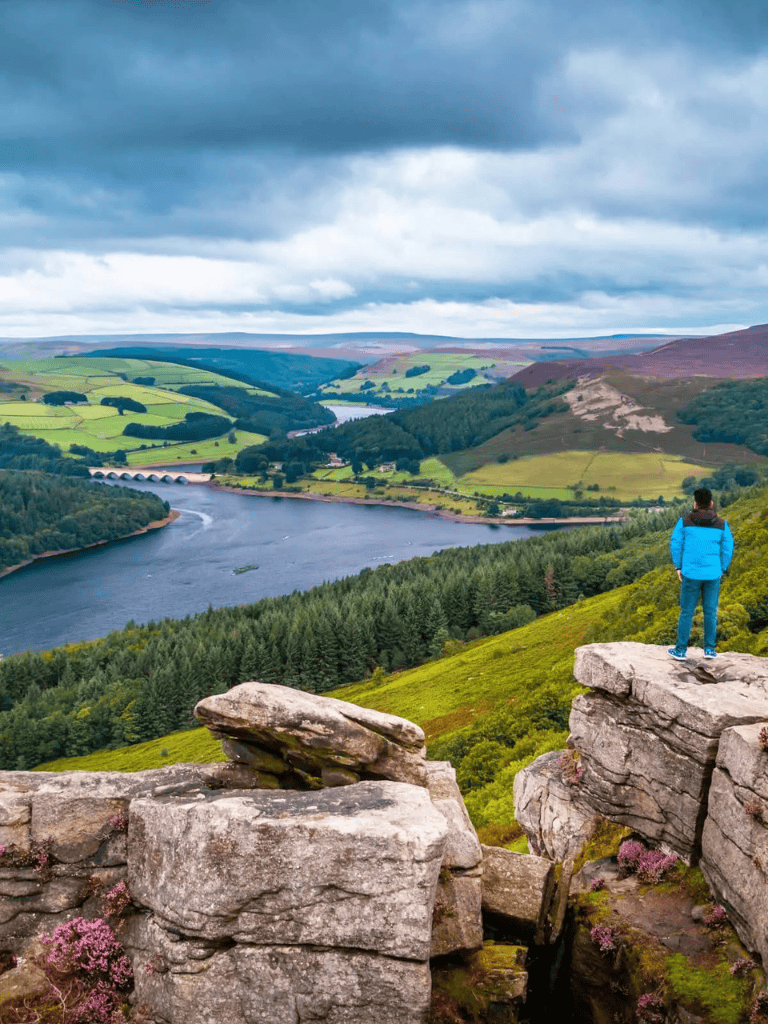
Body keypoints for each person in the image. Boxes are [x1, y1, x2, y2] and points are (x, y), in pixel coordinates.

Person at [668, 487, 734, 661]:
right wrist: (722, 568)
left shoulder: (685, 521)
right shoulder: (721, 524)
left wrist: (678, 566)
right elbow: (728, 548)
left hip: (690, 572)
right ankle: (710, 650)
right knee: (710, 612)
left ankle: (681, 650)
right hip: (713, 573)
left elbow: (675, 544)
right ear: (711, 504)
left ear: (695, 504)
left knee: (686, 612)